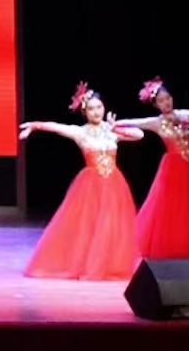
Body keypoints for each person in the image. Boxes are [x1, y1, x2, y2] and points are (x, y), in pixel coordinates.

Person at [19, 82, 145, 280]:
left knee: (111, 224)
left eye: (99, 107)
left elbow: (139, 135)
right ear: (85, 112)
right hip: (91, 185)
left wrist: (117, 128)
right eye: (92, 109)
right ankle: (89, 264)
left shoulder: (112, 130)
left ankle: (108, 264)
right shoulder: (80, 132)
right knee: (90, 225)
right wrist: (34, 126)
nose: (97, 112)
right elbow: (56, 127)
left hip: (113, 183)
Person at [118, 77, 189, 259]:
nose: (166, 103)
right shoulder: (156, 122)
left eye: (168, 98)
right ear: (156, 104)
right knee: (172, 206)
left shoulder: (184, 114)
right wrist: (113, 124)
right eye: (161, 101)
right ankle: (171, 244)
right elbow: (132, 122)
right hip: (174, 167)